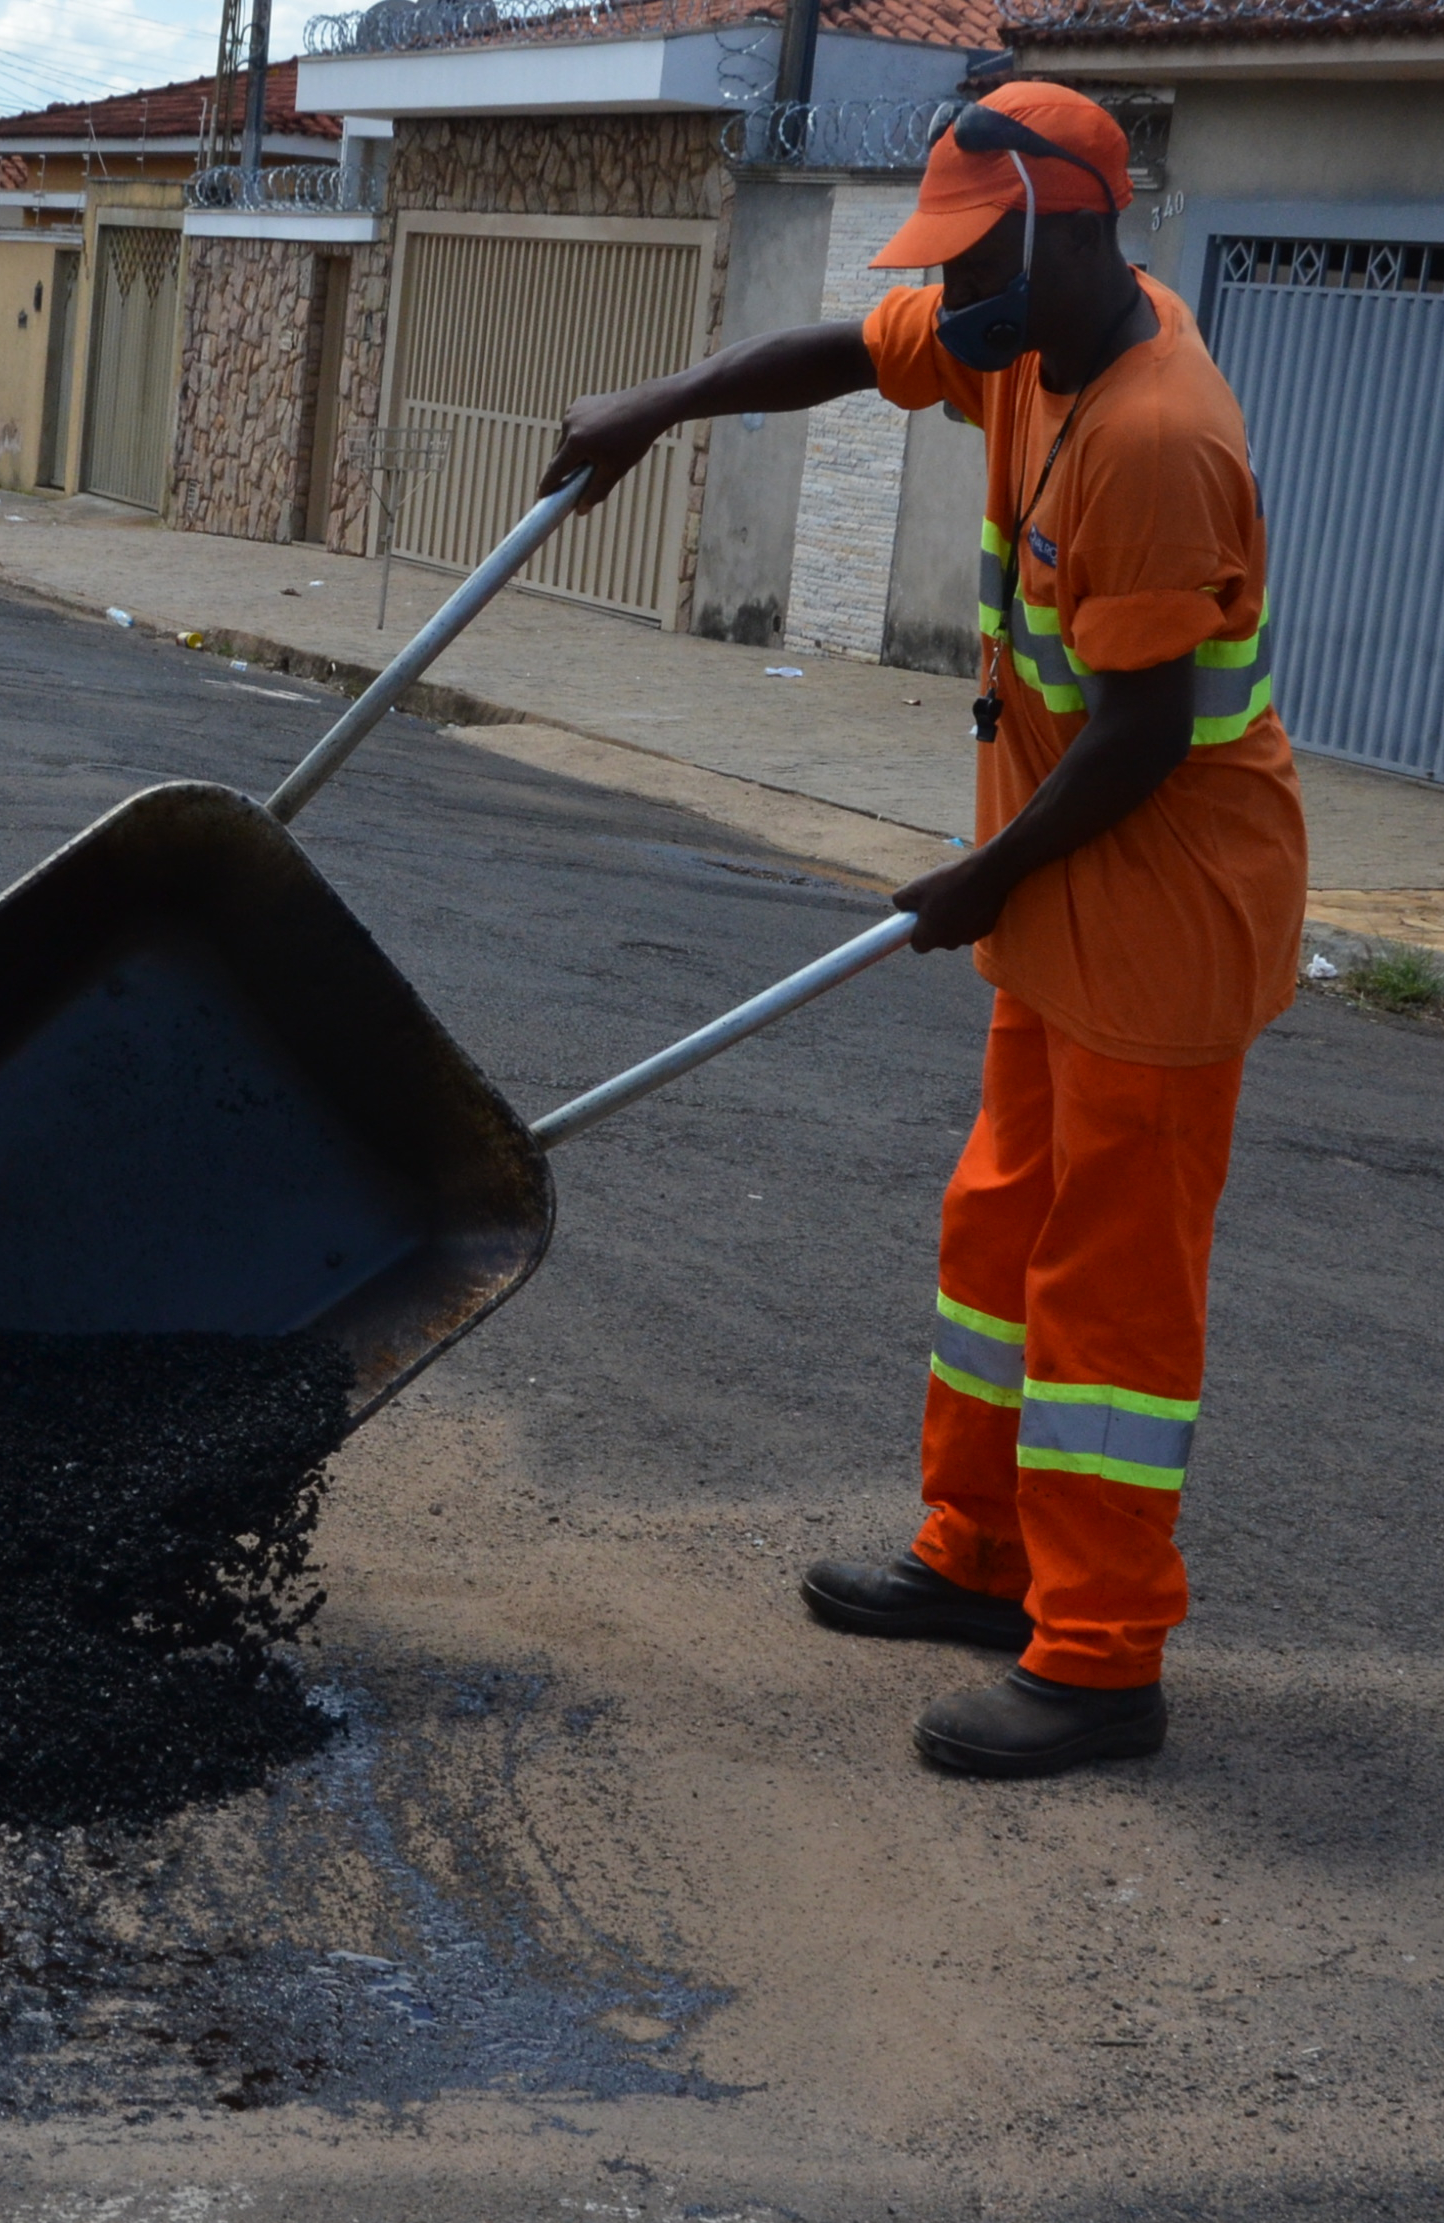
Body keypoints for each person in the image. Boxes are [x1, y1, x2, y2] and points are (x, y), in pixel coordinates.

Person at [539, 82, 1304, 1780]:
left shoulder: (1155, 432)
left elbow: (1142, 729)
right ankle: (983, 1556)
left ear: (1077, 230)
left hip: (1159, 903)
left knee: (1109, 1294)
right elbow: (837, 350)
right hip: (1060, 882)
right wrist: (656, 405)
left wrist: (977, 877)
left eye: (972, 266)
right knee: (999, 1227)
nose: (943, 304)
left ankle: (1102, 1657)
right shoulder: (1018, 330)